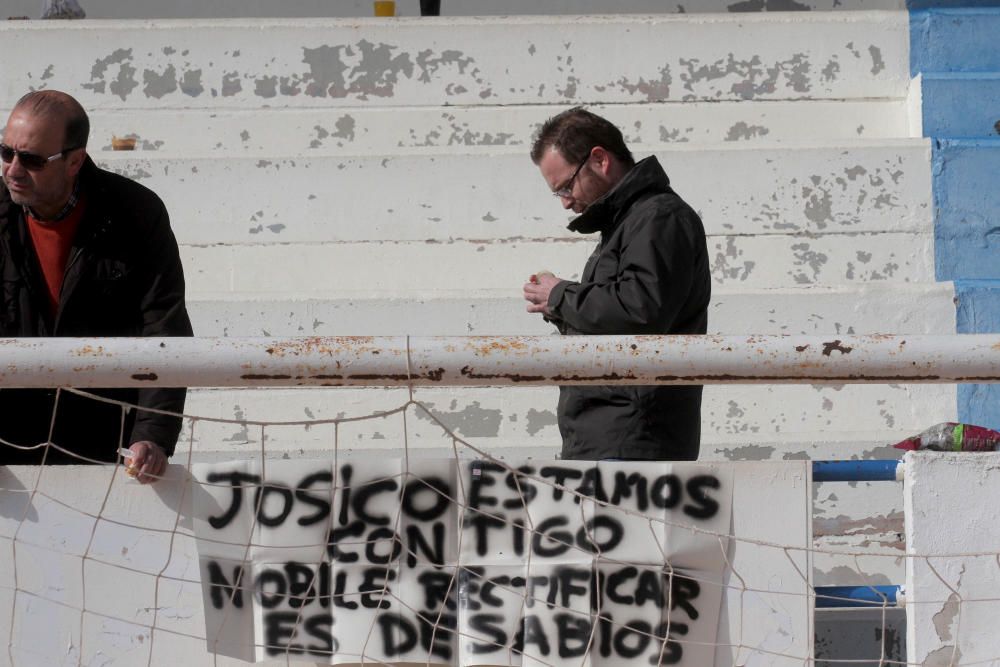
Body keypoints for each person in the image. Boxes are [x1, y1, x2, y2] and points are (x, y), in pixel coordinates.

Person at [0, 90, 192, 482]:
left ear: (75, 161)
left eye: (33, 159)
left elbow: (164, 328)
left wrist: (152, 437)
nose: (13, 170)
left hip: (105, 452)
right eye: (6, 152)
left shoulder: (137, 214)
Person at [523, 107, 710, 461]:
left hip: (633, 438)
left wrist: (561, 295)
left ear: (599, 159)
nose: (564, 202)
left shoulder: (657, 217)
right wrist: (558, 306)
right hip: (615, 432)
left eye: (565, 185)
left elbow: (641, 309)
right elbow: (629, 311)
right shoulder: (633, 221)